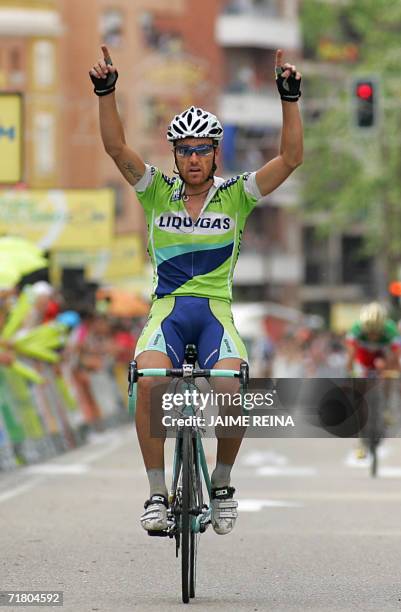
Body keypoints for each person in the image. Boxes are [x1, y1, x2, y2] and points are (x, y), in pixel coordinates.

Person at [89, 45, 303, 534]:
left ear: (215, 153)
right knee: (148, 380)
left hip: (215, 313)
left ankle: (223, 481)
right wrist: (107, 92)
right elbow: (116, 149)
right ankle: (156, 492)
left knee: (230, 386)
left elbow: (291, 158)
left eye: (201, 149)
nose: (192, 158)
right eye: (184, 149)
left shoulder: (238, 194)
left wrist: (288, 99)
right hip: (167, 311)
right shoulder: (155, 189)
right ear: (176, 154)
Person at [346, 302, 401, 458]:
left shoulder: (391, 331)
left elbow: (396, 359)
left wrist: (392, 372)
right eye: (370, 333)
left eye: (376, 333)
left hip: (383, 358)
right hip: (363, 358)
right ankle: (359, 440)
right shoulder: (355, 331)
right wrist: (351, 373)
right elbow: (350, 358)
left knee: (389, 372)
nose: (373, 337)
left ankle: (386, 407)